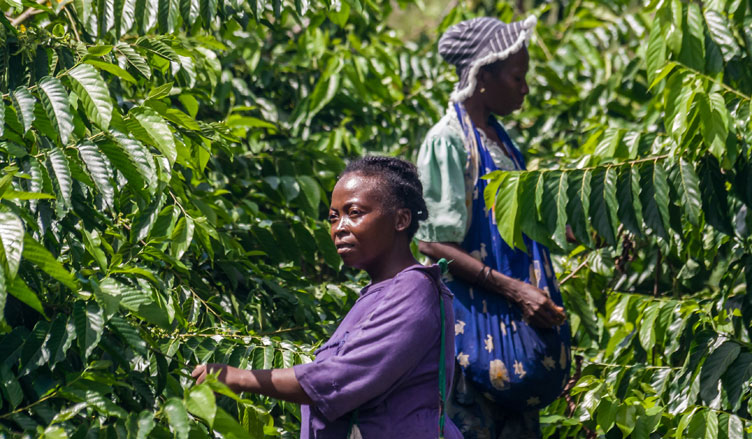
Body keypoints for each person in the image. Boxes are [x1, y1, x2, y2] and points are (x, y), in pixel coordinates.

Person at [192, 156, 463, 439]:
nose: (339, 228)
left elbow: (340, 377)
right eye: (333, 217)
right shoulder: (378, 293)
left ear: (401, 219)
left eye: (354, 213)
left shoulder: (415, 288)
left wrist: (241, 377)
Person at [415, 16, 571, 439]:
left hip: (512, 329)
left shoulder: (499, 140)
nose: (525, 88)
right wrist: (515, 290)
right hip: (474, 329)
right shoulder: (449, 141)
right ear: (482, 77)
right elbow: (432, 243)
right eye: (518, 76)